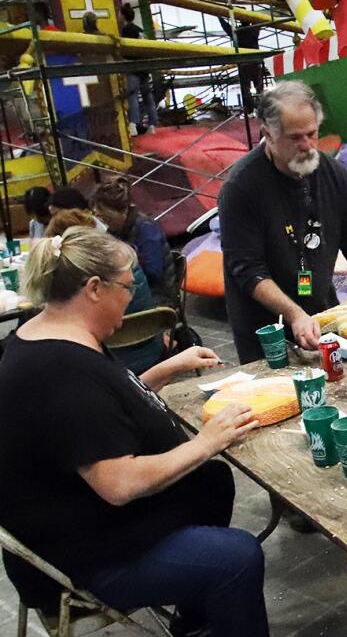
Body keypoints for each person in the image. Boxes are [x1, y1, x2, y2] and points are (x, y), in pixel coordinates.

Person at [0, 227, 268, 635]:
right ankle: (212, 606)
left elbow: (99, 410)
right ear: (93, 288)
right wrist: (207, 442)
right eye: (126, 287)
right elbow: (119, 484)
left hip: (77, 524)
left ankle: (198, 617)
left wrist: (162, 371)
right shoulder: (60, 373)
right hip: (80, 557)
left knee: (210, 481)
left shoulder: (46, 333)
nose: (130, 301)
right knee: (235, 557)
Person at [219, 82, 347, 363]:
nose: (307, 146)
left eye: (312, 134)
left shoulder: (335, 176)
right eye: (295, 138)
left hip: (320, 307)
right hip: (265, 326)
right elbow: (247, 270)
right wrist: (294, 315)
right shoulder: (241, 187)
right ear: (268, 134)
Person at [48, 208, 164, 373]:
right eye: (127, 288)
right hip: (149, 348)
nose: (129, 296)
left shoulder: (109, 273)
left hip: (125, 356)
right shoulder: (119, 264)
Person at [90, 177, 174, 304]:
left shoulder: (146, 229)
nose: (97, 214)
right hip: (129, 289)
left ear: (123, 210)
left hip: (155, 294)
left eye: (102, 210)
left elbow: (153, 273)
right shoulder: (114, 231)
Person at [119, 2, 157, 134]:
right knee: (148, 96)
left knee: (133, 95)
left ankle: (133, 125)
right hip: (144, 67)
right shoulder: (140, 30)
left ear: (123, 16)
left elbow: (126, 49)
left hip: (133, 66)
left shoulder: (126, 30)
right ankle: (152, 125)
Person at [218, 16, 264, 113]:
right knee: (259, 88)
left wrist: (220, 18)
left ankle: (249, 109)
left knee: (245, 88)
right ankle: (263, 108)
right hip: (254, 61)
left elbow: (227, 28)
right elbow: (259, 21)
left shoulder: (237, 31)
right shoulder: (253, 30)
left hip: (243, 62)